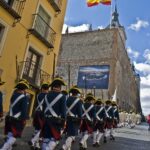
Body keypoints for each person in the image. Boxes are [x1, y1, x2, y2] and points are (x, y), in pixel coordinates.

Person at [0, 80, 29, 150]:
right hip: (17, 120)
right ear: (24, 89)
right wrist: (24, 119)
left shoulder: (14, 95)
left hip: (10, 117)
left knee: (10, 133)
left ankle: (8, 148)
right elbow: (24, 110)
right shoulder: (24, 98)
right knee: (14, 136)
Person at [41, 78, 66, 150]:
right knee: (55, 138)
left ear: (52, 87)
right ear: (60, 87)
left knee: (46, 139)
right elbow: (63, 111)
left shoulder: (46, 95)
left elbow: (43, 108)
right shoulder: (62, 96)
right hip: (55, 121)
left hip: (46, 119)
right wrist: (64, 121)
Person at [28, 82, 50, 149]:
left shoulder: (38, 95)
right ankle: (33, 140)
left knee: (37, 128)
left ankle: (37, 145)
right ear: (47, 89)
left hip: (36, 112)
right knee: (42, 129)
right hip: (42, 114)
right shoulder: (47, 96)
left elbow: (35, 104)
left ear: (42, 89)